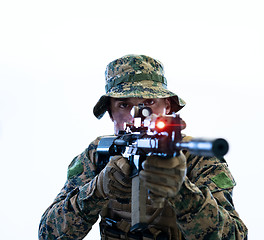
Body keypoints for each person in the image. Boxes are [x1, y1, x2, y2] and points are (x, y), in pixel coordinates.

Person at [38, 54, 248, 240]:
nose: (136, 114)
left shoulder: (197, 157)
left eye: (148, 103)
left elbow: (235, 235)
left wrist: (183, 193)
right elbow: (48, 233)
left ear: (167, 106)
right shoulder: (98, 153)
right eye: (124, 104)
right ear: (110, 112)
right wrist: (96, 190)